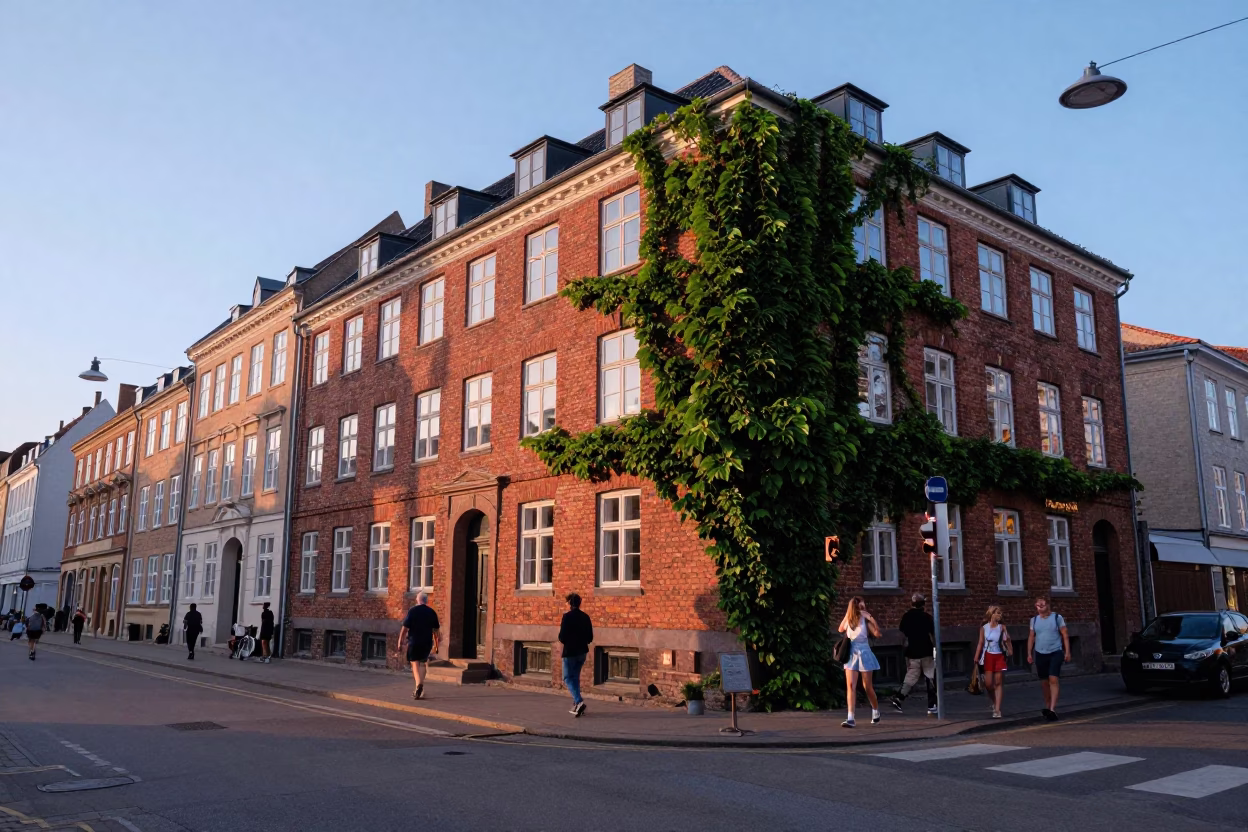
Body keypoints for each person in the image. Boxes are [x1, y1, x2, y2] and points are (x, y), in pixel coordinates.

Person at [890, 593, 937, 715]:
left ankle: (899, 698)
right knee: (930, 676)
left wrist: (904, 650)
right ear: (923, 605)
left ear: (912, 604)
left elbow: (903, 635)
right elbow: (933, 635)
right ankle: (932, 705)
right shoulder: (927, 617)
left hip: (912, 652)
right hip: (926, 651)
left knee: (911, 676)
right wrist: (935, 648)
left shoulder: (906, 617)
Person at [838, 596, 882, 727]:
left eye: (862, 606)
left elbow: (878, 634)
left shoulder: (865, 620)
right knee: (850, 686)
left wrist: (870, 618)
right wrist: (847, 615)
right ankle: (850, 718)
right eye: (860, 606)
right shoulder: (849, 619)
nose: (862, 608)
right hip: (852, 653)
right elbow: (840, 629)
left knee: (867, 687)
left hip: (864, 652)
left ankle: (875, 710)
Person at [1027, 597, 1071, 721]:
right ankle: (1048, 707)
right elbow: (1031, 637)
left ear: (1048, 605)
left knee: (1053, 679)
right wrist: (1029, 653)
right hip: (1040, 653)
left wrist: (1067, 652)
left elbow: (1065, 634)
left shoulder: (1057, 618)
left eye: (1042, 605)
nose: (1040, 607)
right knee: (1044, 682)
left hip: (1055, 652)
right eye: (1038, 605)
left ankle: (1052, 708)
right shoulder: (1034, 620)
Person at [399, 592, 441, 700]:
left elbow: (405, 628)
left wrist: (400, 641)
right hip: (426, 642)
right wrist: (437, 645)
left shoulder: (412, 611)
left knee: (414, 663)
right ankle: (420, 687)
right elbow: (436, 631)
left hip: (414, 641)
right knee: (423, 663)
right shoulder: (431, 612)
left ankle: (418, 685)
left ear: (417, 600)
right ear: (426, 601)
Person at [558, 593, 593, 717]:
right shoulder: (585, 617)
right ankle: (577, 705)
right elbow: (590, 637)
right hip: (582, 652)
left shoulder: (567, 617)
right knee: (575, 678)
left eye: (567, 603)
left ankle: (579, 702)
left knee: (567, 678)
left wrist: (569, 641)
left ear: (570, 603)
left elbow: (561, 637)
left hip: (570, 652)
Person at [974, 605, 1012, 719]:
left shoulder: (1002, 627)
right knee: (988, 684)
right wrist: (976, 656)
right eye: (998, 613)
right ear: (991, 614)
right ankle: (995, 701)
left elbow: (1007, 640)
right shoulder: (984, 628)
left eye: (1001, 613)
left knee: (998, 682)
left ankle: (997, 709)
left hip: (999, 655)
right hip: (988, 656)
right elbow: (981, 642)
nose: (1000, 615)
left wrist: (1009, 646)